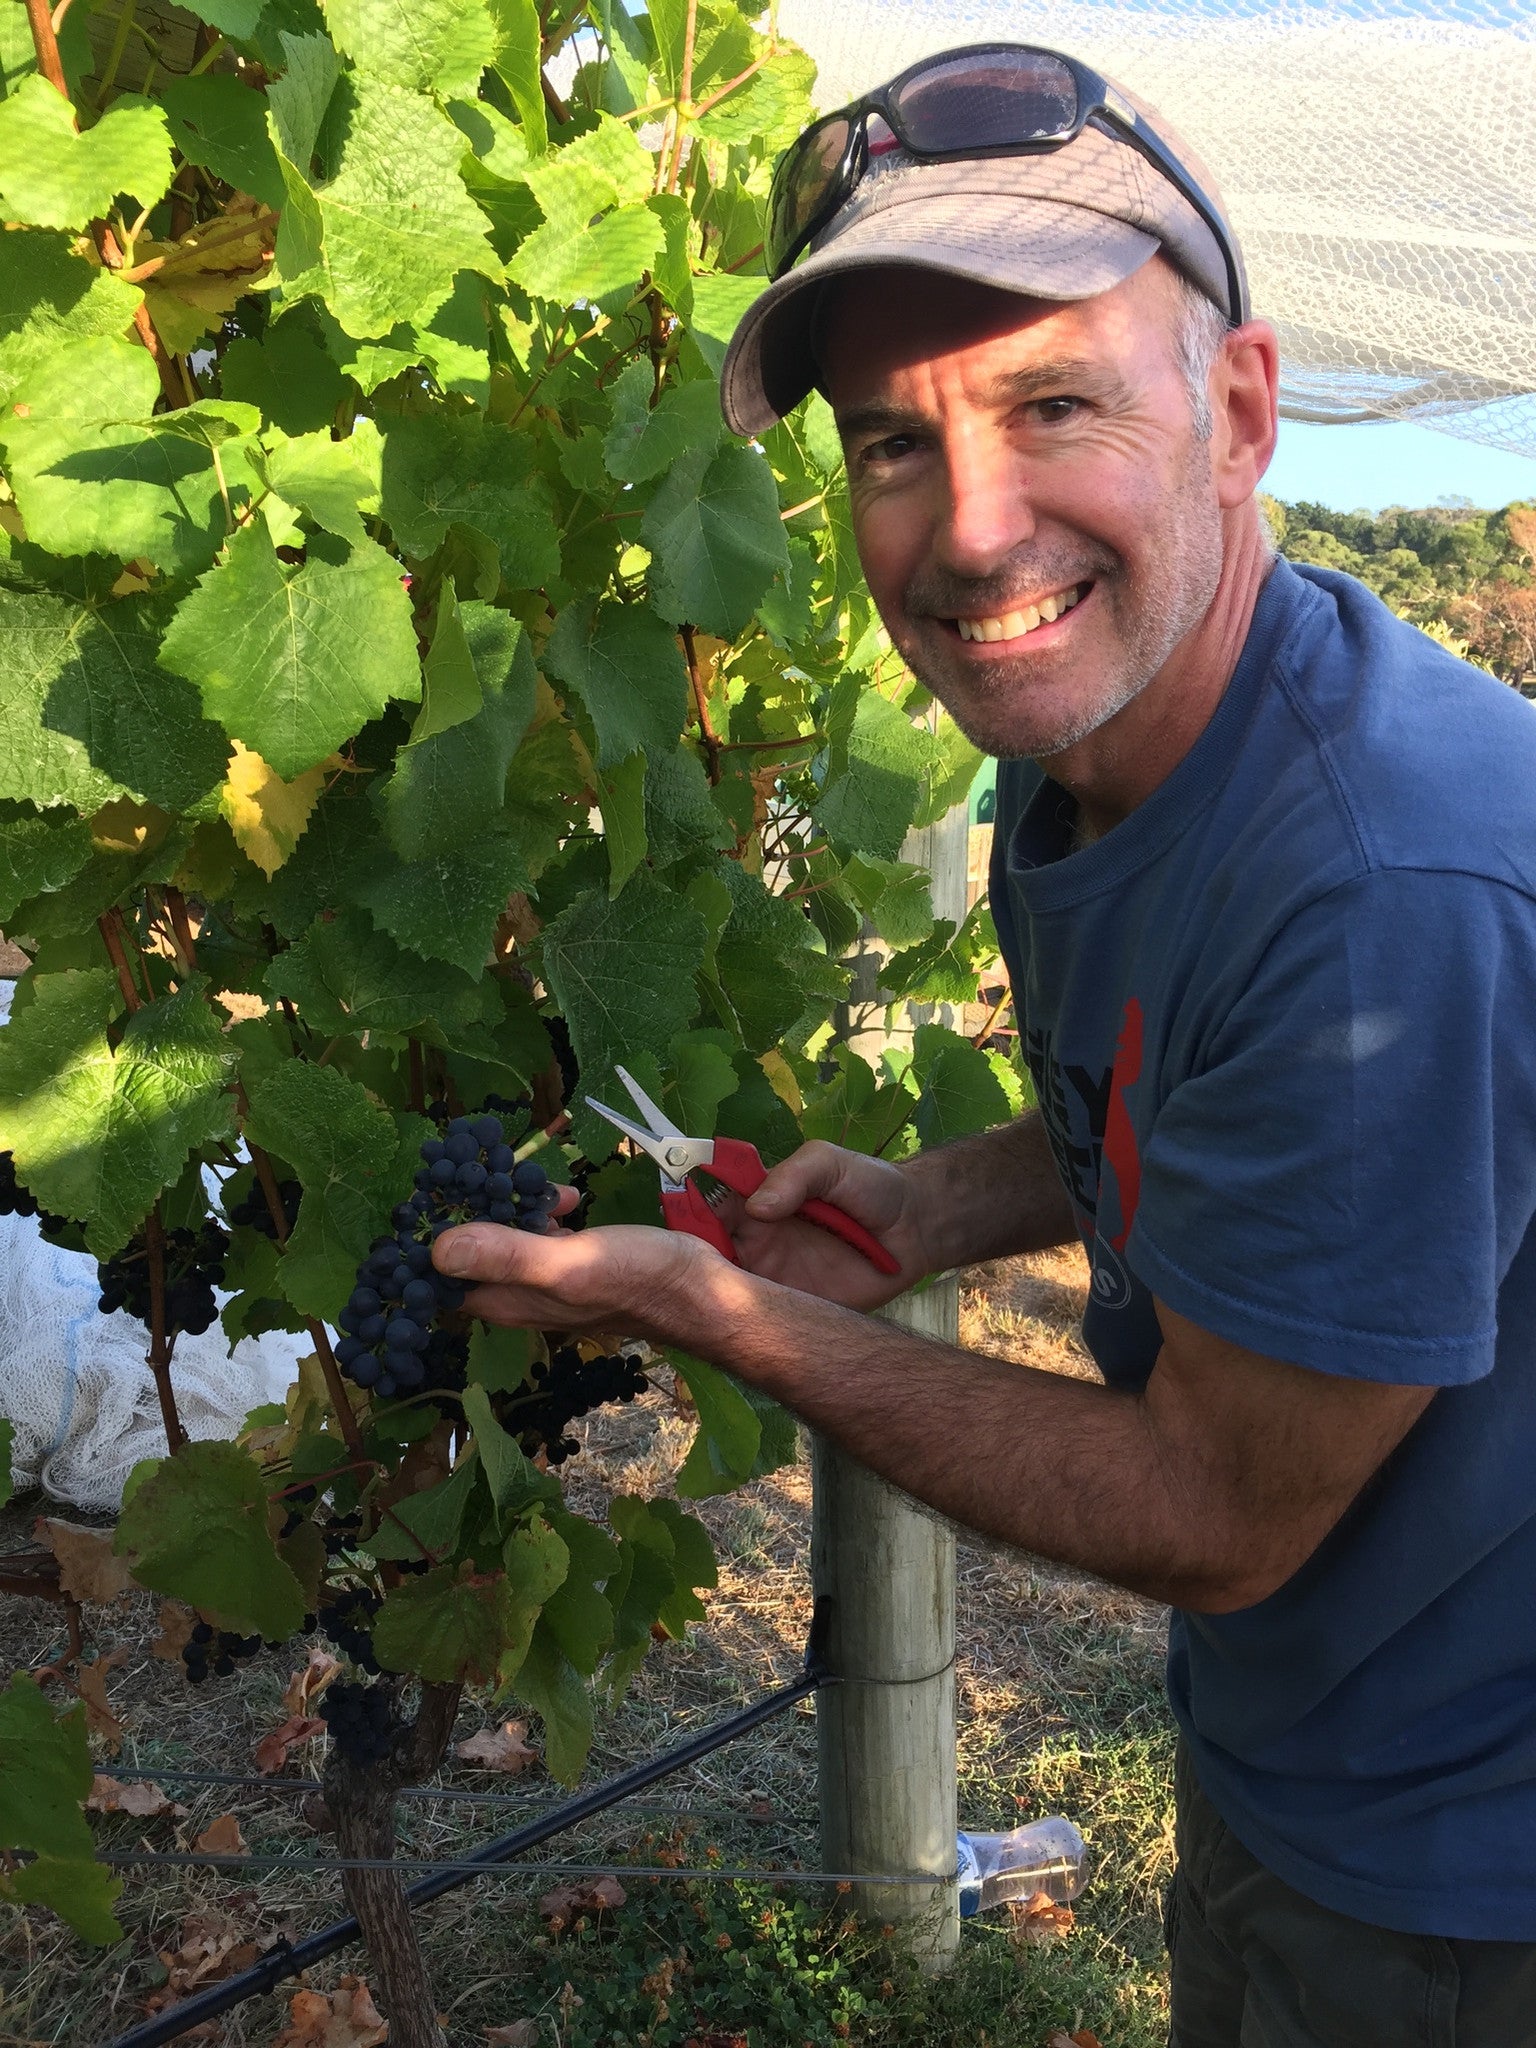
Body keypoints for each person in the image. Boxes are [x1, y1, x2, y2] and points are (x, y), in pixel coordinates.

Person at [438, 45, 1536, 2044]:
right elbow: (1181, 1094)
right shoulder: (1102, 763)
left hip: (1468, 1867)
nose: (967, 530)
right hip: (1320, 1745)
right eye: (887, 444)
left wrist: (735, 1322)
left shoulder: (1385, 882)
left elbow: (1215, 1510)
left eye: (1052, 404)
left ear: (1240, 413)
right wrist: (925, 1209)